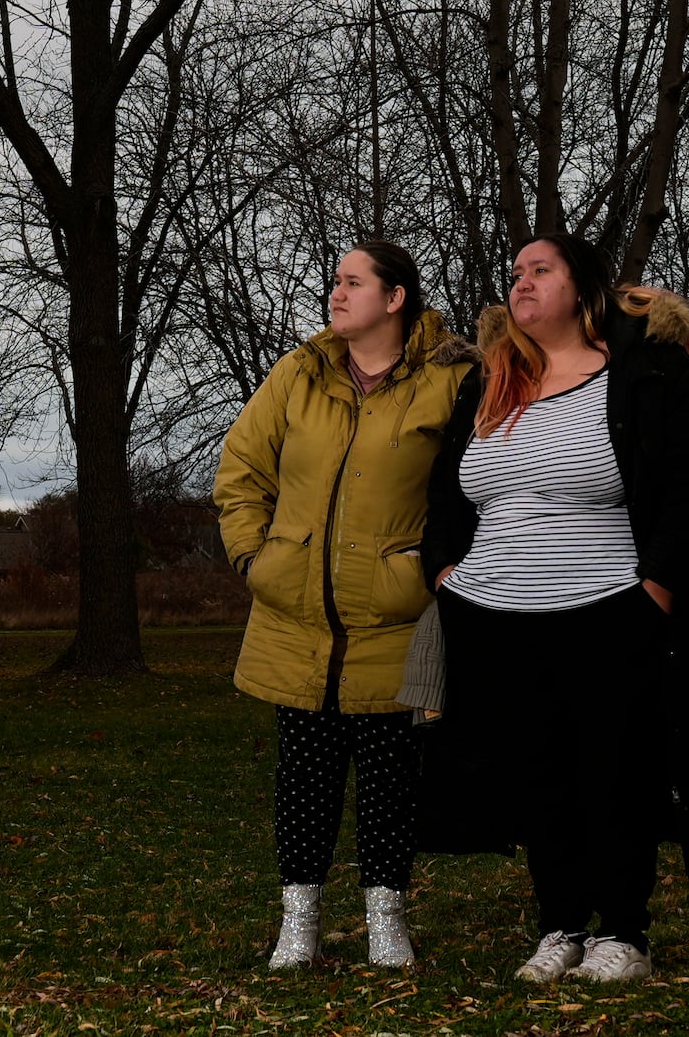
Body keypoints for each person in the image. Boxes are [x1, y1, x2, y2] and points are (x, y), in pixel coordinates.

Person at [418, 232, 689, 983]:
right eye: (515, 272)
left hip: (609, 604)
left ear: (582, 288)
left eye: (540, 270)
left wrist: (657, 587)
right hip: (492, 612)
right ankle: (560, 927)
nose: (521, 282)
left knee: (614, 767)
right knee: (536, 771)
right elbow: (448, 492)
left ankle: (624, 933)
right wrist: (447, 571)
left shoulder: (642, 370)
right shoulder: (489, 381)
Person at [214, 240, 474, 970]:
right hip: (295, 615)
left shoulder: (451, 381)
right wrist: (254, 556)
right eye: (335, 280)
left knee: (391, 781)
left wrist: (430, 569)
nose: (337, 293)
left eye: (353, 282)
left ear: (395, 298)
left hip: (395, 616)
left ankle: (385, 921)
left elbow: (471, 486)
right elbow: (240, 469)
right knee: (304, 776)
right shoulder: (299, 373)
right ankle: (298, 923)